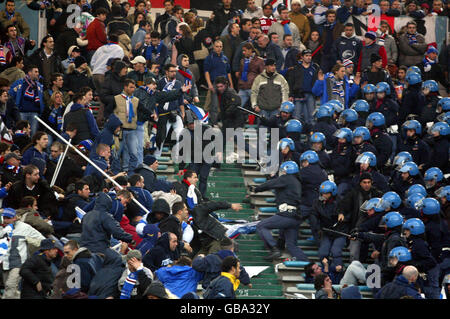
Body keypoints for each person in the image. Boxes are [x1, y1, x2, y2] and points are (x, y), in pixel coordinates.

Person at [251, 161, 308, 261]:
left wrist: (256, 189)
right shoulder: (296, 181)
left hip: (287, 215)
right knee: (291, 246)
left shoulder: (287, 178)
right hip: (295, 217)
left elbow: (271, 184)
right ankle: (308, 265)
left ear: (286, 171)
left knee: (261, 226)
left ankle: (274, 249)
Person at [1, 207, 46, 299]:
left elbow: (42, 240)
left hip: (18, 263)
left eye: (8, 218)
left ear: (15, 218)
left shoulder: (24, 227)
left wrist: (31, 242)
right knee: (9, 288)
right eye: (4, 217)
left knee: (11, 286)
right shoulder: (1, 228)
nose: (6, 220)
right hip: (4, 264)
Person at [154, 63, 187, 157]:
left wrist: (183, 113)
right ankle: (157, 156)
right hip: (163, 113)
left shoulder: (178, 83)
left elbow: (180, 100)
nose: (174, 73)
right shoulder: (160, 82)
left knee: (180, 134)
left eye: (175, 71)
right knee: (161, 137)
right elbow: (157, 99)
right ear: (166, 72)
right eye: (171, 71)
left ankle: (177, 155)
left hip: (175, 112)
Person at [9, 64, 44, 136]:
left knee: (33, 135)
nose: (38, 74)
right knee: (21, 133)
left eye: (38, 72)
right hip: (22, 112)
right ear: (29, 72)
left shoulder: (39, 85)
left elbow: (41, 100)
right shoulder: (20, 83)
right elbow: (11, 94)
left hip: (34, 113)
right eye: (36, 72)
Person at [286, 49, 319, 124]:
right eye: (306, 56)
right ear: (302, 57)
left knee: (311, 117)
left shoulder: (314, 68)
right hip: (298, 94)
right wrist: (290, 95)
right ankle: (295, 134)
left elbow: (317, 82)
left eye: (310, 56)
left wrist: (317, 94)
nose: (309, 57)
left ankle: (310, 134)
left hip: (311, 95)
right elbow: (291, 83)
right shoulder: (296, 68)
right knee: (296, 117)